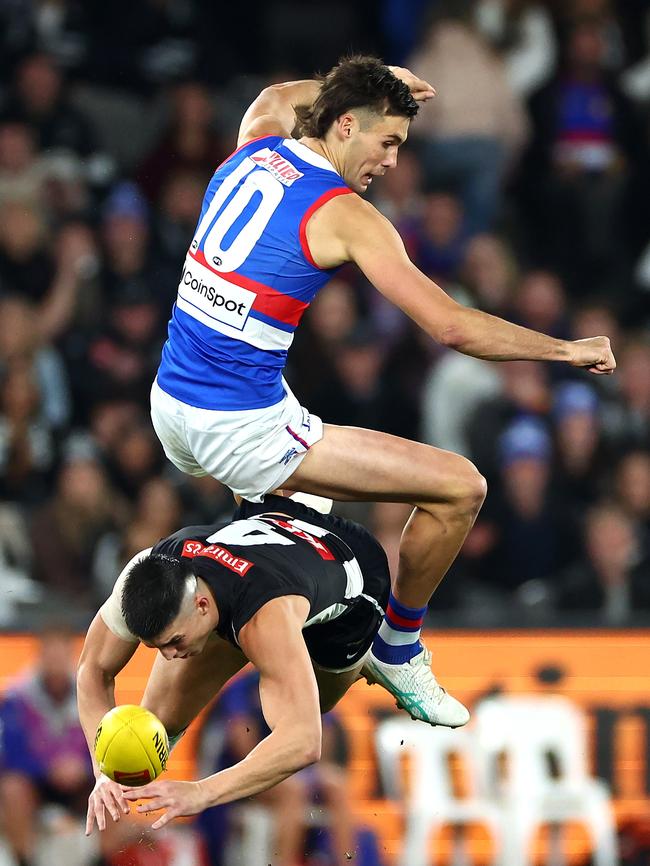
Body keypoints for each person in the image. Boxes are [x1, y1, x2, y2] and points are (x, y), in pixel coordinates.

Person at [148, 55, 616, 728]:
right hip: (240, 431)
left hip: (172, 406)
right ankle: (398, 647)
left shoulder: (257, 140)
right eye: (387, 141)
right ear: (344, 125)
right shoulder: (345, 215)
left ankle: (169, 716)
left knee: (295, 544)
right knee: (461, 487)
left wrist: (376, 82)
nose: (393, 162)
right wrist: (564, 348)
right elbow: (451, 325)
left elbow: (280, 92)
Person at [77, 493, 427, 835]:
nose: (168, 655)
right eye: (156, 646)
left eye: (174, 641)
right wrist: (104, 769)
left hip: (352, 585)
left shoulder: (264, 619)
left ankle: (380, 655)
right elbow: (93, 670)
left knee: (319, 701)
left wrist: (202, 792)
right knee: (154, 726)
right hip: (261, 554)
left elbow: (303, 741)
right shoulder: (145, 574)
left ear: (200, 606)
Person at [0, 626, 95, 866]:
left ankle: (101, 859)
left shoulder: (91, 696)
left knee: (115, 791)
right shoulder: (16, 699)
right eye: (50, 656)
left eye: (61, 656)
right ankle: (24, 859)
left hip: (80, 782)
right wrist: (49, 769)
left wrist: (82, 768)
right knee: (12, 789)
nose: (55, 663)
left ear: (71, 657)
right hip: (36, 785)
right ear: (40, 657)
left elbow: (105, 746)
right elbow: (10, 756)